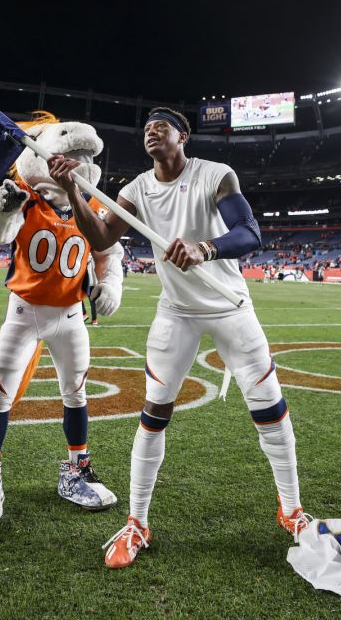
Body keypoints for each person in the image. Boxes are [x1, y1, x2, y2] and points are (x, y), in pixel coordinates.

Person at [50, 106, 307, 569]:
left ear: (182, 136)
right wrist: (72, 191)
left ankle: (291, 511)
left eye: (161, 127)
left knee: (268, 408)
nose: (151, 133)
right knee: (153, 413)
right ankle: (137, 522)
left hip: (230, 307)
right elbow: (103, 239)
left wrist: (203, 247)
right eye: (146, 128)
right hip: (177, 314)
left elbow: (250, 233)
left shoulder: (215, 175)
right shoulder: (136, 190)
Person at [0, 112, 124, 530]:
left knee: (77, 394)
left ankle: (76, 470)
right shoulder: (23, 197)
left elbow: (110, 254)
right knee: (0, 396)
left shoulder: (91, 205)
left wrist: (109, 285)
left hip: (70, 317)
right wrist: (2, 208)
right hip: (25, 312)